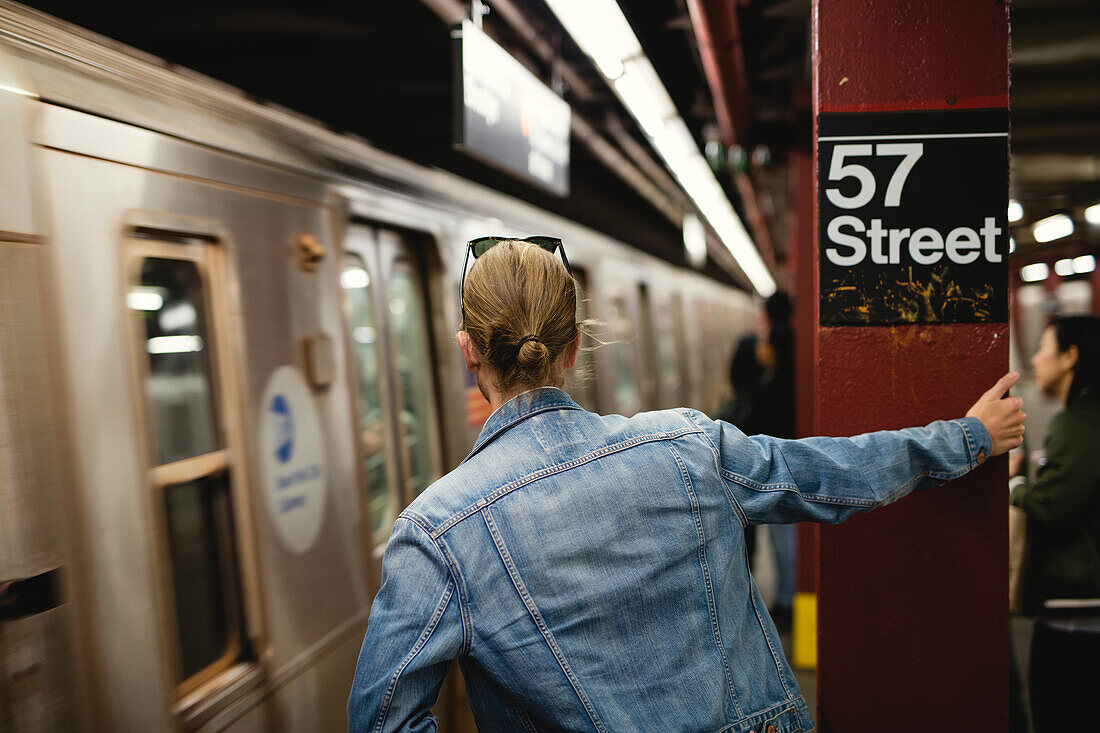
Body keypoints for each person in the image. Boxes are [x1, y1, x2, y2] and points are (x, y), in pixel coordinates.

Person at [347, 237, 1025, 733]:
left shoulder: (436, 533)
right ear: (575, 347)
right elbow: (832, 473)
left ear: (468, 351)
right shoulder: (689, 444)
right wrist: (970, 436)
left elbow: (381, 719)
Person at [1010, 315, 1100, 732]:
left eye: (1044, 348)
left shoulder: (1079, 422)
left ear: (1070, 357)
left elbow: (1052, 505)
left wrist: (1015, 481)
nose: (1035, 359)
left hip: (1077, 611)